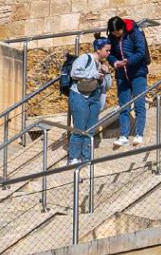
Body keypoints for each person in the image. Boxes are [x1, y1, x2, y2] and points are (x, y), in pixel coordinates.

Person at [102, 14, 151, 142]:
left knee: (139, 105)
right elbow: (110, 54)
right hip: (122, 75)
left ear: (122, 27)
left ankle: (139, 134)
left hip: (138, 74)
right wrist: (115, 62)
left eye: (118, 31)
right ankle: (124, 135)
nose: (116, 34)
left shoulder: (135, 33)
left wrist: (128, 61)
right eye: (113, 32)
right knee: (123, 106)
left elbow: (141, 52)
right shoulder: (112, 37)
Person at [60, 44, 104, 165]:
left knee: (90, 129)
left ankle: (86, 157)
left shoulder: (101, 64)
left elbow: (106, 86)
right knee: (79, 128)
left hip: (94, 96)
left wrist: (105, 75)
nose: (109, 53)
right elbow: (74, 73)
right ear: (99, 50)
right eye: (107, 50)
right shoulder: (85, 58)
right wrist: (93, 75)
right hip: (80, 95)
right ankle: (74, 157)